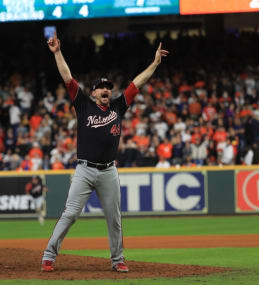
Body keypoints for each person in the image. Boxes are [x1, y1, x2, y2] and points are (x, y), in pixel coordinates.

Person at [41, 32, 168, 272]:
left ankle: (117, 260)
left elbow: (137, 83)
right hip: (84, 169)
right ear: (93, 93)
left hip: (109, 171)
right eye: (101, 88)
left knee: (114, 218)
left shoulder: (119, 106)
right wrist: (57, 52)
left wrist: (154, 64)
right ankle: (49, 255)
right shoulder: (83, 104)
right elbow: (67, 77)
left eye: (108, 87)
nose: (105, 90)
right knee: (70, 214)